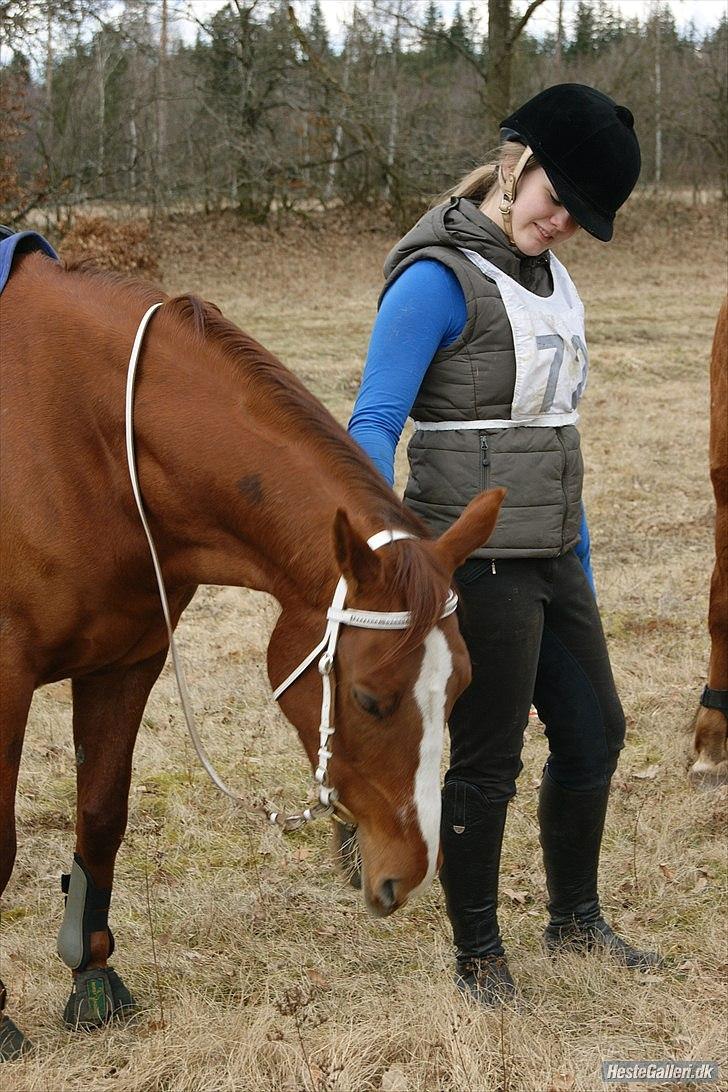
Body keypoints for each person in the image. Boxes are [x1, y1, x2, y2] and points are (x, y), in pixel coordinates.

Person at [348, 83, 661, 1006]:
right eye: (554, 200)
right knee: (489, 763)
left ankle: (574, 921)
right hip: (473, 560)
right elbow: (371, 426)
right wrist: (387, 558)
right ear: (516, 161)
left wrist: (584, 562)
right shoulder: (433, 278)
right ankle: (479, 956)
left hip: (553, 552)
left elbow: (554, 431)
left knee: (596, 730)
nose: (559, 223)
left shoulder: (552, 280)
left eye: (578, 218)